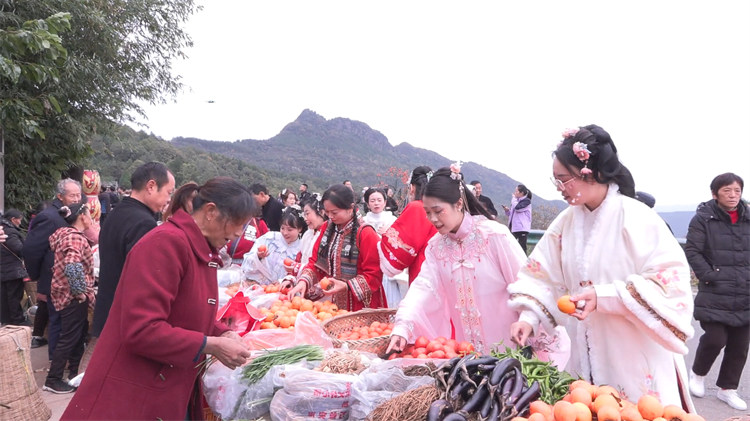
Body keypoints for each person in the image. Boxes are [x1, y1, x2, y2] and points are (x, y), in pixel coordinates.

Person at [507, 125, 695, 410]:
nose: (559, 187)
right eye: (555, 179)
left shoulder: (638, 218)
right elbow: (543, 276)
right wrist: (528, 318)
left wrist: (606, 296)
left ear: (590, 173)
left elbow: (670, 284)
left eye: (563, 179)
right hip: (585, 356)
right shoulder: (566, 223)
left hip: (633, 352)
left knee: (637, 410)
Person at [62, 177, 254, 420]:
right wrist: (211, 345)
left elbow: (185, 313)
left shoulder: (201, 250)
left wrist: (220, 332)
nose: (238, 233)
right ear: (210, 212)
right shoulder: (166, 244)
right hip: (135, 393)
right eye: (237, 223)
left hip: (168, 384)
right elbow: (142, 329)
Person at [386, 164, 527, 355]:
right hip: (465, 352)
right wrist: (403, 326)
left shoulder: (494, 236)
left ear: (458, 204)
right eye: (427, 212)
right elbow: (423, 287)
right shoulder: (436, 247)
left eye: (438, 211)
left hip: (509, 345)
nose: (433, 219)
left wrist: (528, 319)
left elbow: (525, 283)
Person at [89, 162, 175, 355]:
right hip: (124, 315)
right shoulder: (144, 223)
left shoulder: (117, 213)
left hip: (108, 306)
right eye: (168, 192)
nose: (168, 200)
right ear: (151, 186)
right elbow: (142, 279)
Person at [684, 172, 749, 411]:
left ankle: (727, 389)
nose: (733, 195)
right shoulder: (703, 219)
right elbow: (692, 250)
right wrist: (711, 276)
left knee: (740, 345)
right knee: (715, 338)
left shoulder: (748, 217)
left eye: (737, 191)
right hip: (716, 289)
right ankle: (698, 374)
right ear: (715, 194)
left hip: (745, 290)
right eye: (727, 191)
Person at [285, 184, 386, 311]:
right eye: (327, 212)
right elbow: (316, 263)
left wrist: (347, 285)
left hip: (362, 306)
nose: (330, 216)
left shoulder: (366, 233)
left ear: (350, 208)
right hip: (334, 304)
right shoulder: (327, 228)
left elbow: (375, 275)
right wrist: (303, 282)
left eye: (334, 212)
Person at [23, 178, 82, 353]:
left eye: (79, 195)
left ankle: (60, 362)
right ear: (60, 196)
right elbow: (31, 249)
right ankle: (56, 364)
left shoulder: (68, 214)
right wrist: (37, 275)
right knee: (58, 320)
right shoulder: (49, 217)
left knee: (64, 321)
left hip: (64, 279)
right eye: (72, 195)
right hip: (53, 277)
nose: (77, 199)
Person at [43, 202, 97, 393]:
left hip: (67, 294)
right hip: (72, 297)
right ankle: (53, 379)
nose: (91, 219)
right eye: (89, 215)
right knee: (69, 337)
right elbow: (72, 264)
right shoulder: (74, 237)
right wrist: (80, 292)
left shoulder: (66, 235)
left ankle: (74, 372)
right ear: (82, 216)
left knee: (76, 334)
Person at [378, 166, 438, 287]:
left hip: (424, 270)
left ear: (412, 187)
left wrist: (386, 234)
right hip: (440, 268)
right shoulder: (440, 208)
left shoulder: (417, 207)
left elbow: (405, 245)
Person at [241, 206, 306, 285]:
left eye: (290, 229)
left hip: (283, 291)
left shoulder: (302, 248)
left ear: (299, 229)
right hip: (257, 285)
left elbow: (304, 273)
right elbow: (247, 262)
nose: (285, 233)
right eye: (282, 228)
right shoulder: (269, 238)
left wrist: (284, 281)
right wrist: (258, 256)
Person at [362, 188, 401, 307]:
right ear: (368, 204)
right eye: (372, 200)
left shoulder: (393, 220)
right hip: (370, 266)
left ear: (385, 202)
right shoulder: (363, 222)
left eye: (379, 200)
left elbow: (399, 244)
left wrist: (387, 235)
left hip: (388, 267)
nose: (376, 203)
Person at [1, 209, 29, 326]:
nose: (20, 222)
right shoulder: (10, 232)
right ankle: (17, 320)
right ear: (13, 219)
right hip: (12, 270)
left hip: (5, 270)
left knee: (5, 296)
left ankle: (7, 320)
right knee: (14, 296)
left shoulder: (4, 229)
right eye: (19, 219)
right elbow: (19, 249)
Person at [297, 194, 326, 273]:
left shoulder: (327, 235)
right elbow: (300, 256)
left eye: (307, 214)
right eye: (304, 214)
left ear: (321, 212)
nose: (305, 218)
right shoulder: (308, 233)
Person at [502, 184, 533, 253]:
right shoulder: (516, 201)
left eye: (516, 191)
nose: (514, 193)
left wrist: (514, 199)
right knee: (509, 246)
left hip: (522, 228)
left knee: (522, 247)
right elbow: (511, 213)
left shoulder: (527, 201)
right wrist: (507, 211)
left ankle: (524, 262)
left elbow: (518, 209)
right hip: (513, 227)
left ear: (521, 193)